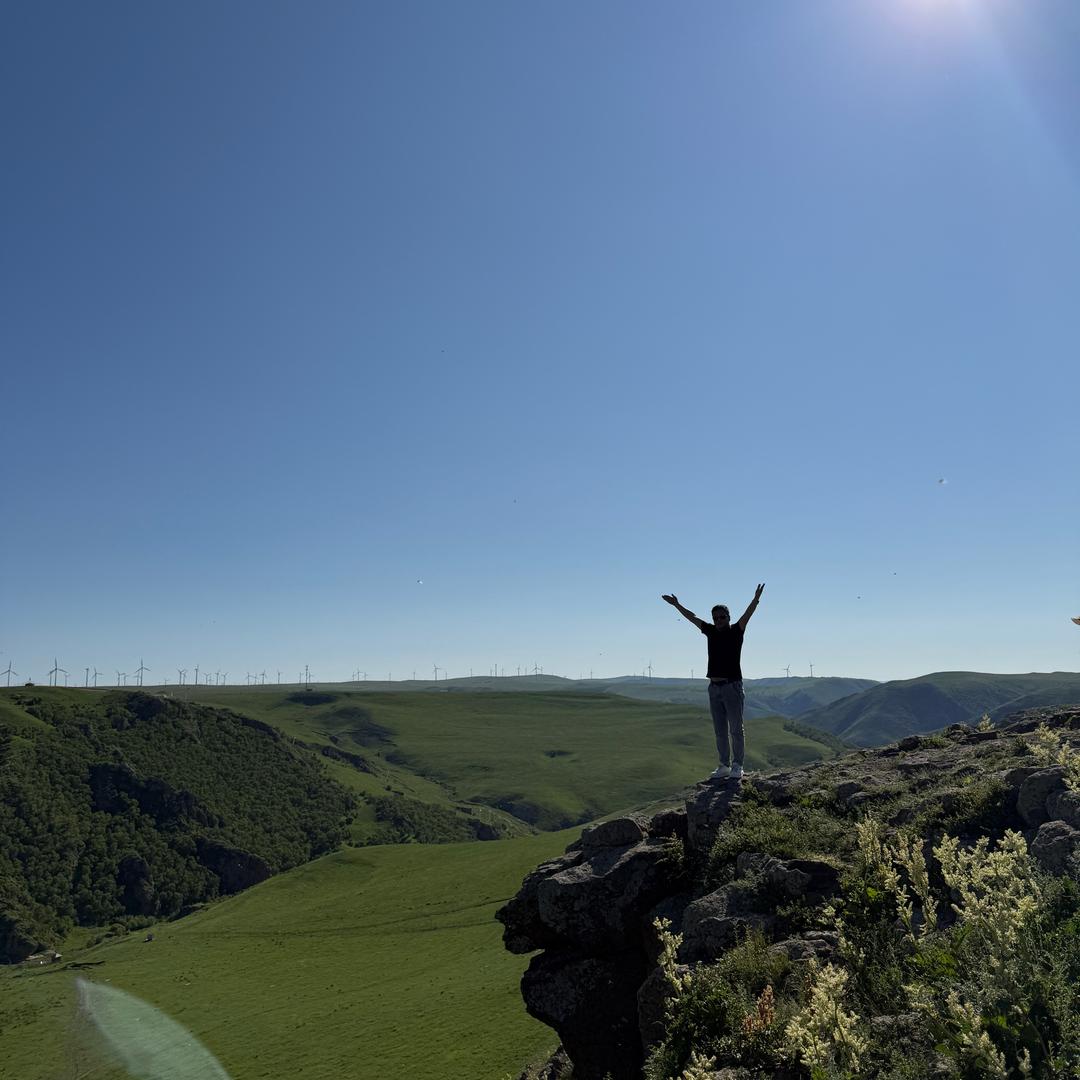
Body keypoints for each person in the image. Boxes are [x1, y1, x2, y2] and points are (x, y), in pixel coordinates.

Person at [662, 584, 765, 781]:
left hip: (732, 686)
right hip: (714, 688)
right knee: (719, 731)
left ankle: (737, 765)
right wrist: (677, 605)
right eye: (715, 618)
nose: (718, 620)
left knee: (735, 729)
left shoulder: (736, 631)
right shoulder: (710, 632)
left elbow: (747, 615)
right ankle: (724, 765)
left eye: (722, 617)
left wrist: (755, 599)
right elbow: (692, 618)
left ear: (729, 617)